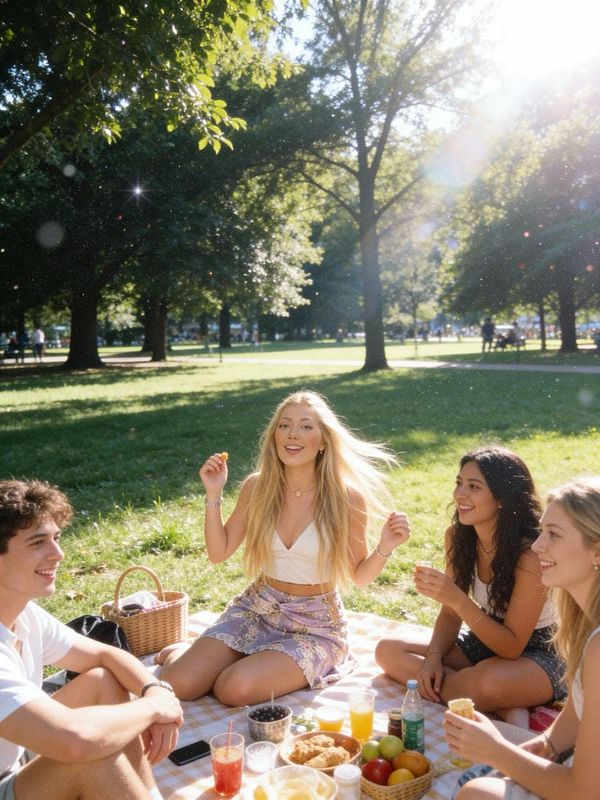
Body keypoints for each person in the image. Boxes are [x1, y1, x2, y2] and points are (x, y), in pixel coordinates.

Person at [157, 389, 410, 705]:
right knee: (177, 683)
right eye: (284, 425)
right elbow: (218, 553)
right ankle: (188, 654)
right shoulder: (257, 487)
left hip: (315, 625)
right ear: (274, 434)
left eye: (306, 426)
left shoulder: (345, 498)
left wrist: (386, 547)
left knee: (232, 689)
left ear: (323, 440)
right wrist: (213, 492)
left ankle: (242, 664)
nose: (293, 434)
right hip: (258, 607)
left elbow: (359, 577)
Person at [0, 479, 183, 800]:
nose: (58, 553)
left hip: (14, 759)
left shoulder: (23, 614)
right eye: (37, 542)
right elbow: (74, 743)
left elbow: (105, 656)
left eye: (56, 538)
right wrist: (154, 708)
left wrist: (156, 689)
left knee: (103, 681)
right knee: (92, 756)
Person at [375, 446, 564, 727]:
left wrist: (457, 599)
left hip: (541, 650)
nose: (459, 494)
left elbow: (512, 647)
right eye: (459, 483)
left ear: (501, 498)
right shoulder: (458, 537)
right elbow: (450, 615)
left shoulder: (530, 556)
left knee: (487, 682)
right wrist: (433, 660)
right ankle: (503, 704)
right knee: (387, 651)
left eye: (473, 486)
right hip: (484, 638)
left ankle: (491, 695)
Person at [444, 476, 600, 799]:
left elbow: (585, 791)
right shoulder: (584, 626)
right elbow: (566, 729)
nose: (537, 545)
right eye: (542, 531)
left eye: (553, 535)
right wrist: (521, 756)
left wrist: (495, 751)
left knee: (476, 794)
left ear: (596, 552)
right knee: (477, 780)